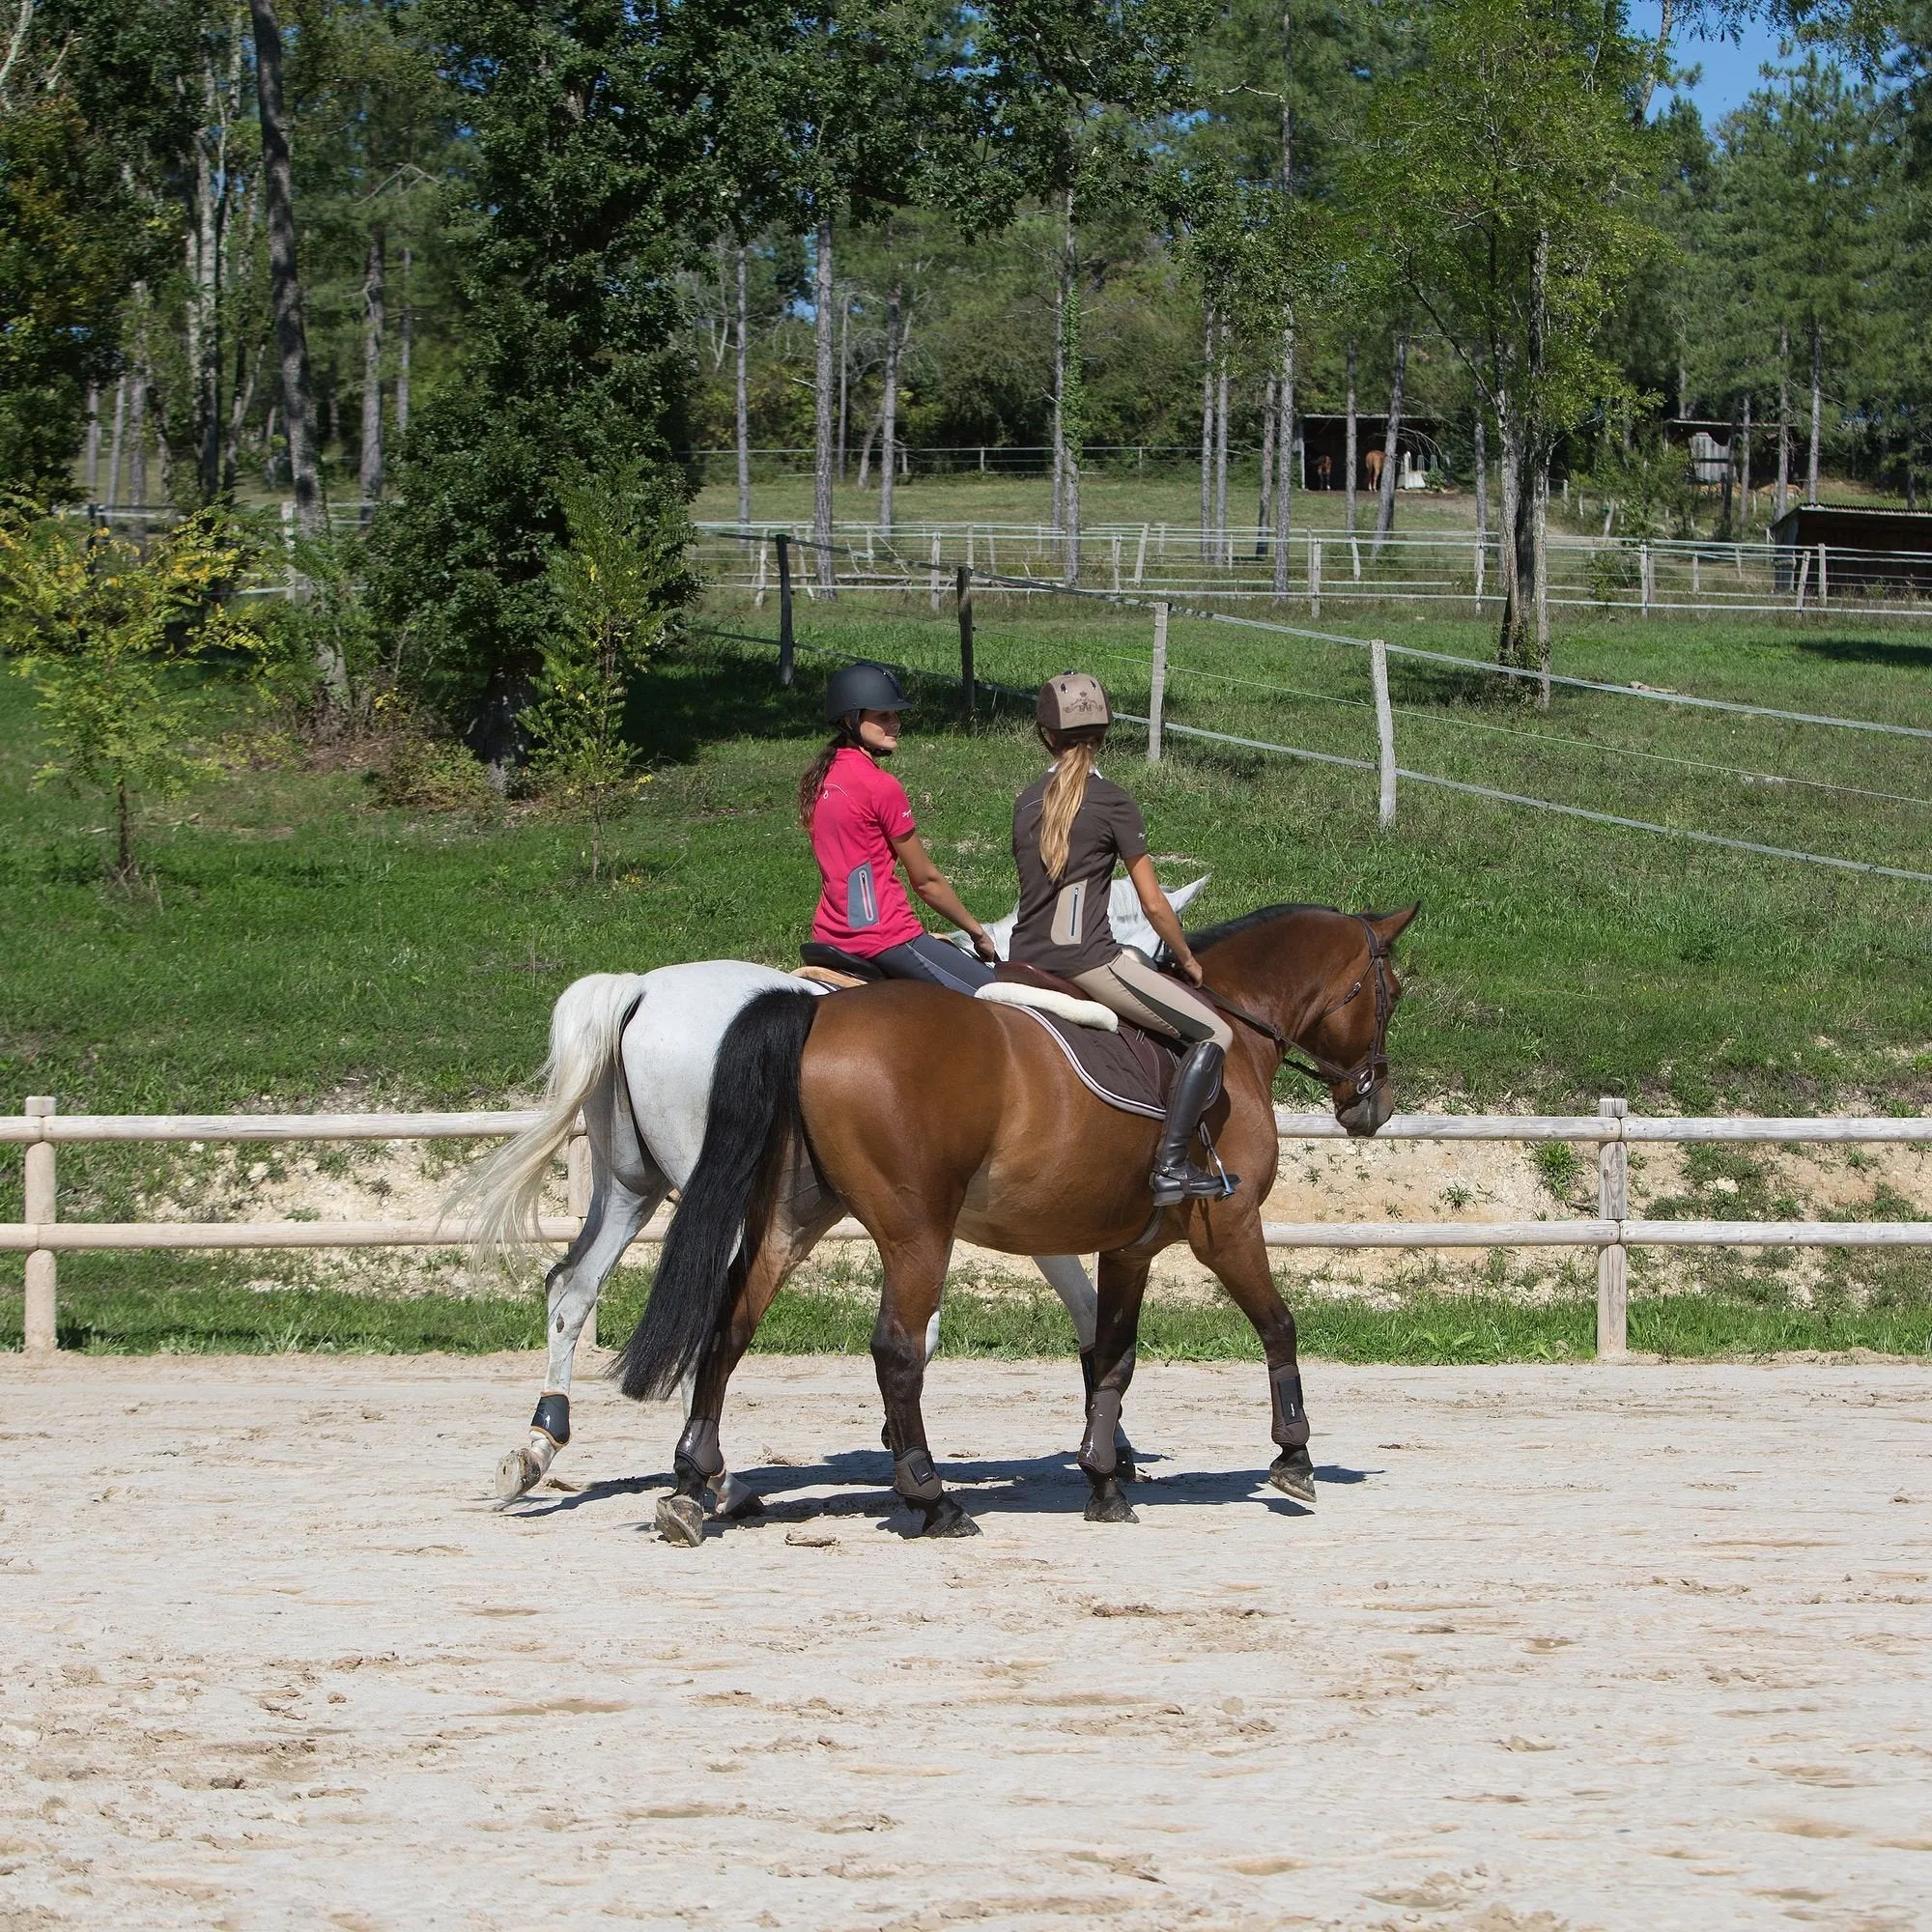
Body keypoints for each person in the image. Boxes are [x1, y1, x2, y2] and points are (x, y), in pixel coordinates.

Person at [1010, 671, 1237, 1206]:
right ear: (1105, 732)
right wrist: (1188, 960)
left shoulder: (1025, 802)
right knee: (1214, 1034)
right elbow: (1155, 905)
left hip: (1023, 958)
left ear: (1046, 735)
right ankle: (1172, 1166)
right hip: (1087, 961)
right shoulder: (1111, 801)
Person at [799, 661, 999, 993]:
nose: (896, 724)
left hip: (830, 934)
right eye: (883, 717)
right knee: (999, 998)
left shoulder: (820, 777)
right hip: (886, 937)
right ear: (852, 718)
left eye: (896, 715)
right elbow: (927, 882)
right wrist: (977, 932)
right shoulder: (880, 785)